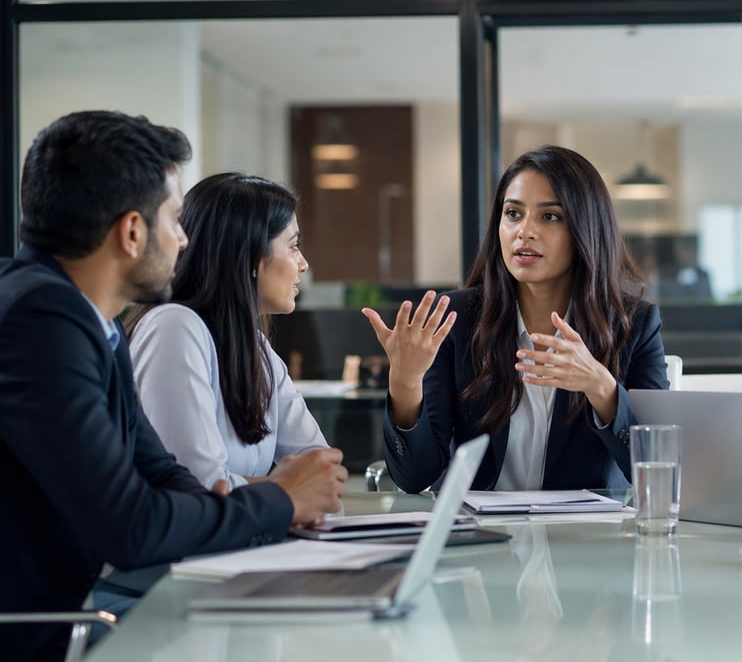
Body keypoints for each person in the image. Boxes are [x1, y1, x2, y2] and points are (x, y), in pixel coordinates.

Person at [0, 111, 347, 661]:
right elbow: (131, 524)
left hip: (78, 618)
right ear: (133, 232)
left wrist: (255, 500)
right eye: (174, 218)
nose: (184, 239)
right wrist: (277, 499)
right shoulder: (39, 321)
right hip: (50, 632)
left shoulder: (93, 320)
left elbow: (161, 471)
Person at [363, 145, 668, 493]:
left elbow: (657, 469)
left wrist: (602, 387)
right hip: (480, 535)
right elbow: (415, 478)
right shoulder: (456, 320)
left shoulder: (634, 324)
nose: (525, 231)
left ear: (587, 228)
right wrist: (404, 384)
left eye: (549, 216)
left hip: (582, 537)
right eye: (513, 213)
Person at [125, 173, 330, 490]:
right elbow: (199, 485)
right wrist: (289, 491)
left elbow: (321, 471)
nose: (303, 264)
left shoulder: (254, 345)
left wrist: (295, 490)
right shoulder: (174, 327)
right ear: (248, 255)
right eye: (293, 247)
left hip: (251, 535)